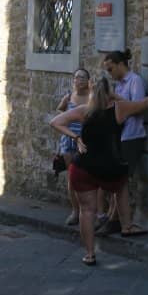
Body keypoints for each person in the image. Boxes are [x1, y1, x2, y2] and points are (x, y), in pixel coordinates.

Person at [51, 74, 148, 266]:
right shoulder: (119, 109)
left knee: (87, 211)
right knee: (121, 187)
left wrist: (76, 137)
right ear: (109, 92)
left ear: (91, 91)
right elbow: (144, 103)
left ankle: (89, 254)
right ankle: (127, 226)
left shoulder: (83, 111)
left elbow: (55, 122)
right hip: (110, 166)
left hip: (83, 167)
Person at [102, 49, 148, 227]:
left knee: (121, 180)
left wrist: (115, 97)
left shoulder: (134, 81)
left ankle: (114, 219)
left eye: (110, 69)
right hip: (120, 136)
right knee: (116, 179)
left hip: (132, 136)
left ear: (121, 65)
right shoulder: (119, 83)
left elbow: (138, 107)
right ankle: (111, 215)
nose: (109, 73)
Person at [56, 68, 91, 226]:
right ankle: (75, 211)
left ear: (88, 81)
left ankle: (89, 212)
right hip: (69, 140)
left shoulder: (92, 98)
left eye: (83, 77)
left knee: (88, 176)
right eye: (77, 77)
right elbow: (60, 111)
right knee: (72, 177)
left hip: (86, 141)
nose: (79, 80)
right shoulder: (69, 97)